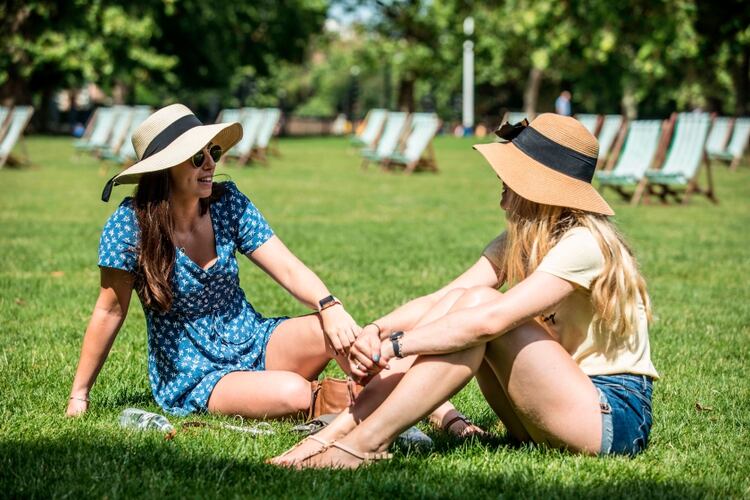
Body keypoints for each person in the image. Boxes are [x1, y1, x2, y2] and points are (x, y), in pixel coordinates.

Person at [272, 113, 658, 468]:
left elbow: (492, 319)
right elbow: (444, 299)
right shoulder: (524, 239)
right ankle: (339, 433)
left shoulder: (583, 244)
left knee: (480, 310)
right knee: (462, 305)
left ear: (537, 185)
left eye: (510, 175)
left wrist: (395, 346)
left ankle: (365, 443)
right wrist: (378, 328)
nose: (500, 182)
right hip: (557, 408)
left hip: (612, 418)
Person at [66, 104, 474, 430]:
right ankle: (385, 401)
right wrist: (79, 395)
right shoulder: (130, 226)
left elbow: (289, 267)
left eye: (213, 152)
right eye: (196, 158)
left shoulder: (227, 203)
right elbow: (110, 310)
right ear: (164, 170)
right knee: (295, 394)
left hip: (254, 338)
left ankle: (443, 412)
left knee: (339, 333)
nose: (209, 163)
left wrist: (329, 306)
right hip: (196, 373)